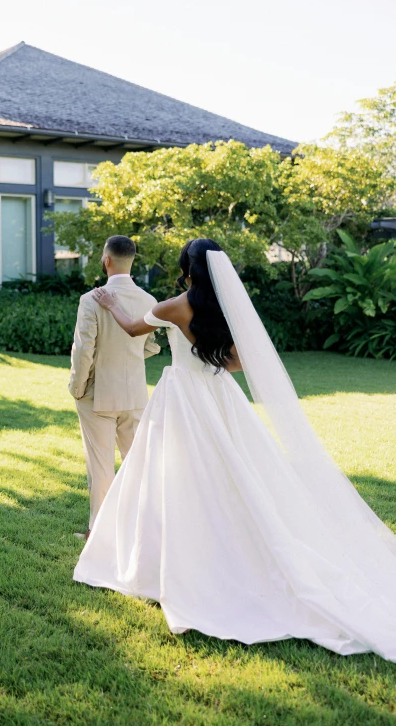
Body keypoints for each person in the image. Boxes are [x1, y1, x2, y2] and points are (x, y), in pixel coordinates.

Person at [74, 237, 396, 662]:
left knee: (170, 477)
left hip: (182, 397)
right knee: (231, 472)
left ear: (187, 268)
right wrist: (208, 359)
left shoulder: (175, 305)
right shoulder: (224, 306)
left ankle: (169, 561)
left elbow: (134, 329)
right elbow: (239, 361)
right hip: (217, 392)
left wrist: (111, 305)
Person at [69, 235, 160, 540]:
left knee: (101, 465)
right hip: (135, 393)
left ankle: (99, 533)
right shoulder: (149, 301)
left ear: (106, 260)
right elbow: (150, 345)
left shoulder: (90, 299)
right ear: (132, 261)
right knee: (136, 463)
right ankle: (143, 526)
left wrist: (77, 387)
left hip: (97, 393)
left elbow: (84, 350)